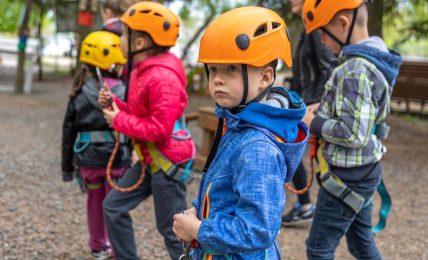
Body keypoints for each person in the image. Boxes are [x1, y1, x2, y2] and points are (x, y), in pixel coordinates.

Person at [172, 6, 308, 259]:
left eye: (231, 69)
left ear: (265, 77)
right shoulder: (236, 124)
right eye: (213, 69)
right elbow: (223, 192)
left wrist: (199, 229)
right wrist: (196, 212)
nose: (218, 79)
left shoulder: (257, 148)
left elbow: (257, 231)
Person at [301, 0, 402, 259]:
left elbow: (353, 132)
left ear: (343, 24)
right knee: (361, 244)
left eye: (323, 32)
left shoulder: (354, 69)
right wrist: (321, 109)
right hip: (364, 172)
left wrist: (312, 122)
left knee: (318, 249)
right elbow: (359, 112)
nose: (321, 40)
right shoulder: (374, 60)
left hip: (346, 177)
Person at [99, 2, 195, 259]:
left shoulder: (162, 77)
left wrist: (117, 119)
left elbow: (159, 130)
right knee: (113, 207)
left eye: (124, 34)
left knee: (172, 230)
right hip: (149, 159)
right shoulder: (141, 71)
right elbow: (139, 112)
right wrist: (115, 105)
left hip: (166, 161)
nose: (119, 39)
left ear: (140, 43)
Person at [61, 31, 131, 259]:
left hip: (87, 161)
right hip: (116, 161)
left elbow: (68, 132)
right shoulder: (123, 91)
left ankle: (98, 245)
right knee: (114, 205)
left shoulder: (78, 92)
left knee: (94, 201)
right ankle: (116, 246)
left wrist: (67, 168)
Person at [282, 0, 335, 226]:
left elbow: (328, 69)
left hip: (313, 107)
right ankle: (306, 204)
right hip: (304, 102)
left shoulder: (315, 31)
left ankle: (312, 207)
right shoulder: (307, 29)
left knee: (292, 147)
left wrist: (315, 105)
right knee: (290, 147)